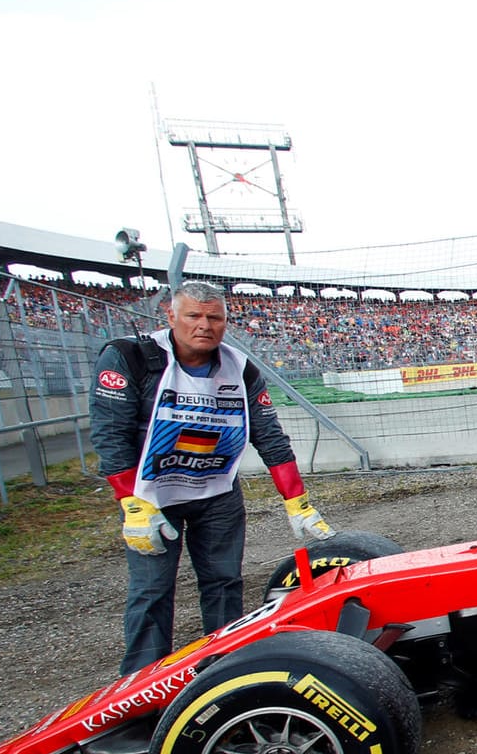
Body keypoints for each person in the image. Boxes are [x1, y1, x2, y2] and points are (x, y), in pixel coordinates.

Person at [91, 280, 334, 676]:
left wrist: (297, 501)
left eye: (214, 317)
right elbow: (110, 435)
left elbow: (269, 435)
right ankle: (139, 689)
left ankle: (226, 669)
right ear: (170, 316)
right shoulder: (128, 357)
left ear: (225, 322)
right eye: (193, 316)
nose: (204, 325)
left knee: (223, 583)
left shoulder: (240, 367)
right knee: (151, 591)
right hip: (151, 498)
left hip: (217, 492)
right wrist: (131, 505)